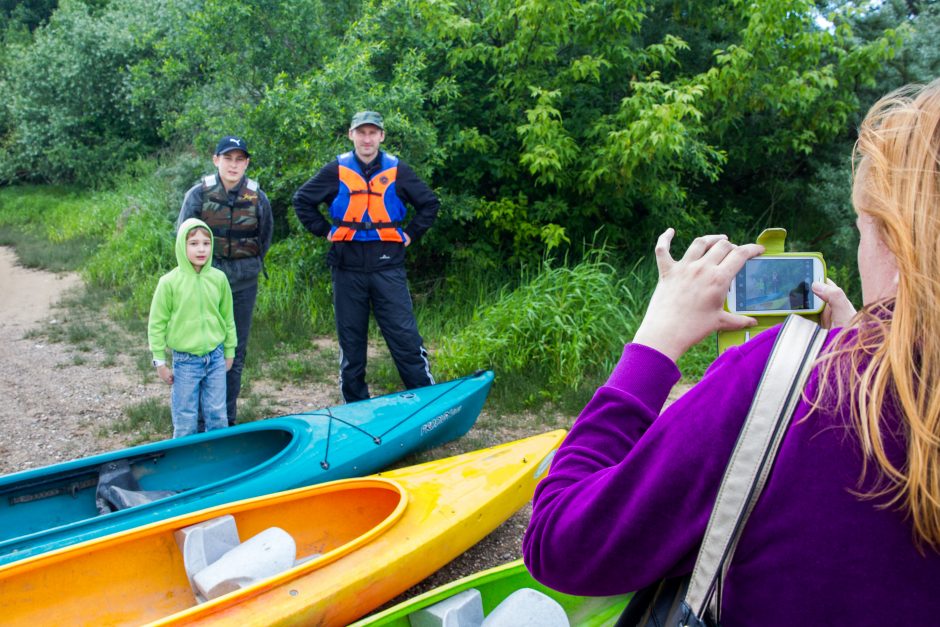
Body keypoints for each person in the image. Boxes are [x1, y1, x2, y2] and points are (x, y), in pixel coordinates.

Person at [523, 79, 940, 624]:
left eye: (863, 227)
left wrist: (654, 344)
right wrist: (881, 349)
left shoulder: (782, 380)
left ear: (893, 235)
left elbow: (560, 544)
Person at [293, 111, 438, 403]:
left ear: (381, 136)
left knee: (405, 340)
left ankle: (427, 402)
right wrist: (325, 231)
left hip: (388, 266)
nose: (367, 139)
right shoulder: (337, 169)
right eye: (362, 132)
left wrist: (409, 234)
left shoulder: (398, 170)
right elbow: (302, 200)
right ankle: (356, 407)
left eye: (373, 133)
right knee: (352, 345)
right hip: (347, 268)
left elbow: (429, 204)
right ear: (351, 135)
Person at [177, 135, 273, 426]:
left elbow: (265, 238)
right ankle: (198, 421)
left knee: (234, 352)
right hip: (205, 283)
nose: (233, 165)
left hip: (243, 283)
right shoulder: (198, 194)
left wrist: (245, 266)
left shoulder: (258, 197)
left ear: (246, 163)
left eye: (239, 159)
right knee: (203, 349)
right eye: (227, 158)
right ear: (215, 160)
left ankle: (226, 419)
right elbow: (183, 237)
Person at [148, 218, 237, 438]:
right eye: (194, 243)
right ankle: (184, 461)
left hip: (215, 358)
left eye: (206, 243)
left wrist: (230, 351)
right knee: (185, 417)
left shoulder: (219, 279)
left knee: (217, 414)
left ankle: (218, 457)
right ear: (182, 245)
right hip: (185, 361)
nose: (201, 249)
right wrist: (159, 361)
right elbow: (156, 323)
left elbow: (228, 317)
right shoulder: (169, 282)